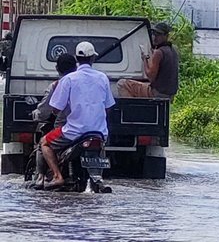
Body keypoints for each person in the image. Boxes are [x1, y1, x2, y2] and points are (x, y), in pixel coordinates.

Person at [40, 41, 115, 189]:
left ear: (77, 59)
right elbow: (108, 107)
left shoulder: (69, 79)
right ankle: (97, 179)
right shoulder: (103, 78)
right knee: (101, 148)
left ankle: (57, 176)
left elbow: (55, 109)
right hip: (99, 132)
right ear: (93, 58)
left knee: (45, 143)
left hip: (73, 132)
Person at [31, 54, 77, 189]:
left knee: (43, 143)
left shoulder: (57, 85)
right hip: (92, 128)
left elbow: (46, 110)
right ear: (75, 67)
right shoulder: (86, 83)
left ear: (57, 68)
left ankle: (43, 178)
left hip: (67, 129)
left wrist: (37, 115)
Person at [117, 22, 179, 99]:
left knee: (122, 83)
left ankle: (132, 110)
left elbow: (150, 77)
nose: (155, 37)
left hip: (157, 93)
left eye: (158, 35)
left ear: (166, 36)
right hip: (170, 94)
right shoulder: (173, 50)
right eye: (154, 34)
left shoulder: (159, 52)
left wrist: (145, 59)